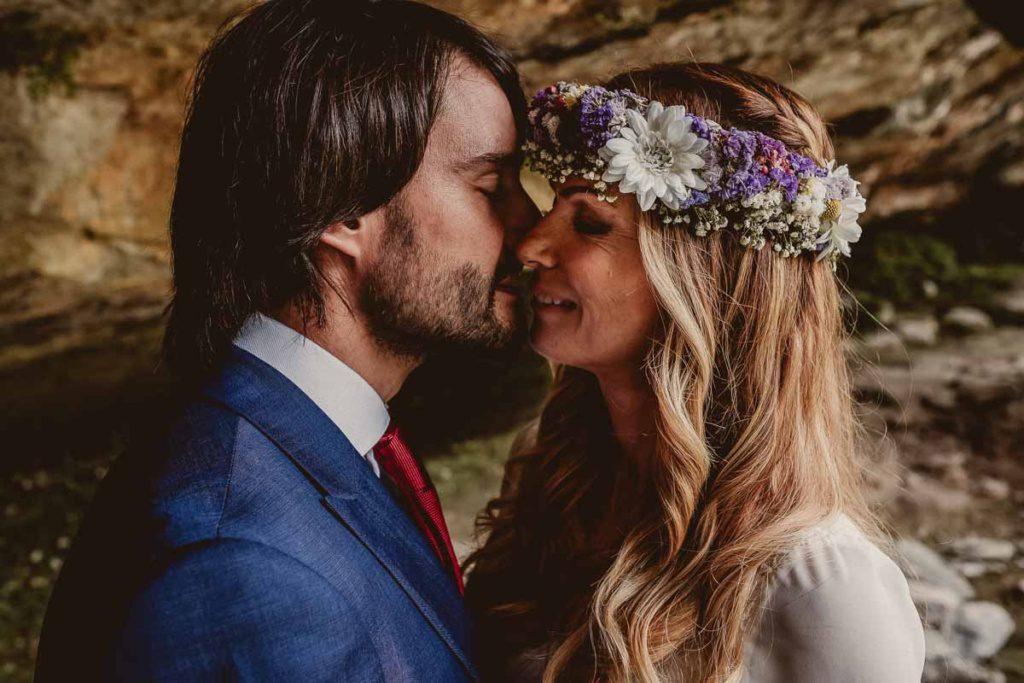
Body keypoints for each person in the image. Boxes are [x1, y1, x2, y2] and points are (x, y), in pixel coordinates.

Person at [35, 0, 535, 680]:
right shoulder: (237, 565)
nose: (530, 226)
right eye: (491, 184)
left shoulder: (326, 452)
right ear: (345, 207)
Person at [464, 62, 926, 682]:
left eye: (591, 223)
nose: (532, 246)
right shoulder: (556, 479)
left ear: (699, 277)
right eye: (555, 209)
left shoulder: (823, 591)